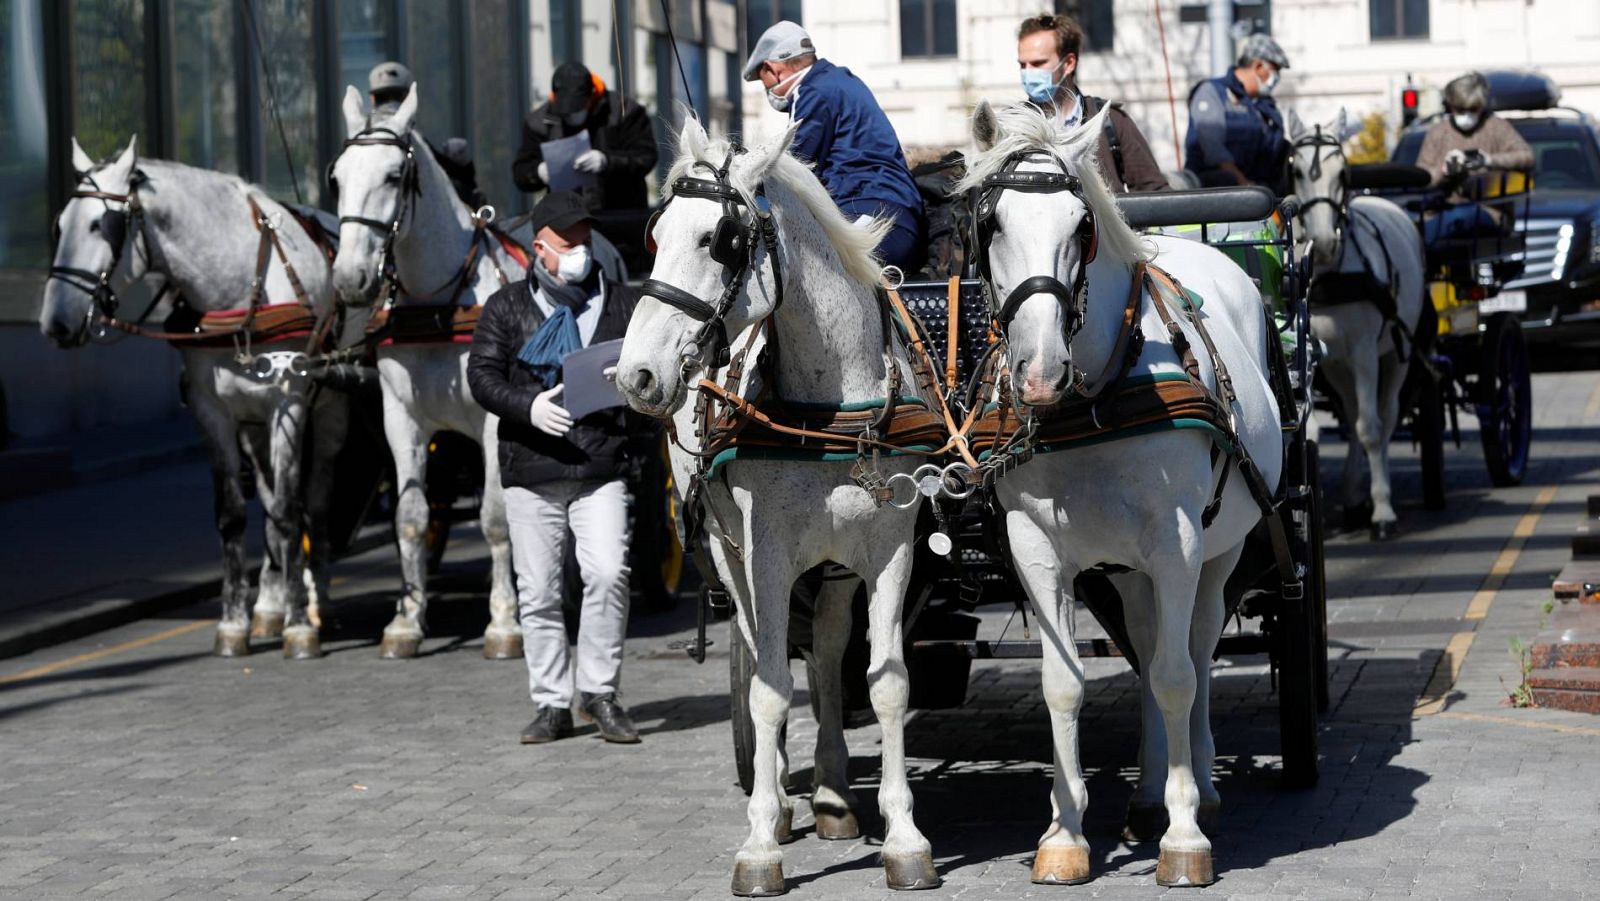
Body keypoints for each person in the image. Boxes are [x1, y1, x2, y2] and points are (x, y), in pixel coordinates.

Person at [467, 190, 649, 746]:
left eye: (585, 241)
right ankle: (551, 703)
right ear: (538, 250)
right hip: (532, 469)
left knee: (607, 574)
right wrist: (529, 407)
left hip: (602, 467)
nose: (578, 252)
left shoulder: (621, 303)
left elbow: (648, 372)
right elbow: (481, 376)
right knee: (540, 592)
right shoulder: (505, 308)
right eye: (567, 243)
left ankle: (599, 693)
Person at [743, 21, 927, 274]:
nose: (767, 90)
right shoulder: (841, 81)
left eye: (764, 81)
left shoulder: (811, 92)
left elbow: (793, 169)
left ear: (772, 68)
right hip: (901, 219)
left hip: (868, 213)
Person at [1016, 14, 1167, 193]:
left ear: (1069, 63)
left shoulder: (1111, 122)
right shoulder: (1013, 126)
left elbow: (1155, 194)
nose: (1028, 73)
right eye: (1022, 65)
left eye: (1038, 63)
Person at [512, 62, 658, 214]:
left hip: (620, 215)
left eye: (578, 109)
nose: (571, 116)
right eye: (566, 113)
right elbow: (521, 172)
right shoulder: (540, 121)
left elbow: (646, 157)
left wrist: (607, 161)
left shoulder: (623, 112)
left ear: (591, 96)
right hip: (567, 221)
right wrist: (538, 172)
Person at [368, 61, 486, 209]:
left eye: (395, 97)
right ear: (408, 98)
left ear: (372, 100)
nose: (391, 105)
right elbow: (446, 178)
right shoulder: (412, 139)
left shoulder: (359, 145)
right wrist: (465, 171)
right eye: (384, 98)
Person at [1184, 34, 1291, 191]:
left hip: (1261, 192)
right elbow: (1213, 149)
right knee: (1225, 179)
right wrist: (1245, 185)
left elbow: (1277, 152)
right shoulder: (1212, 92)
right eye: (1275, 71)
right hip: (1215, 192)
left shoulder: (1266, 106)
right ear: (1258, 67)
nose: (1277, 78)